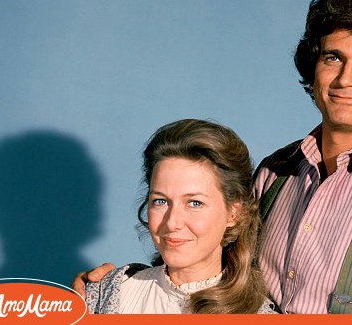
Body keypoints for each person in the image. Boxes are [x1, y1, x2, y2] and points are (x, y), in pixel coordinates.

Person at [74, 0, 352, 314]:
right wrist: (123, 288)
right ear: (313, 67)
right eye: (333, 58)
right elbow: (214, 269)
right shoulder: (275, 173)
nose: (346, 78)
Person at [84, 119, 275, 314]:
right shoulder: (106, 293)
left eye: (195, 203)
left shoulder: (258, 314)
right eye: (160, 201)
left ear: (234, 213)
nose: (172, 222)